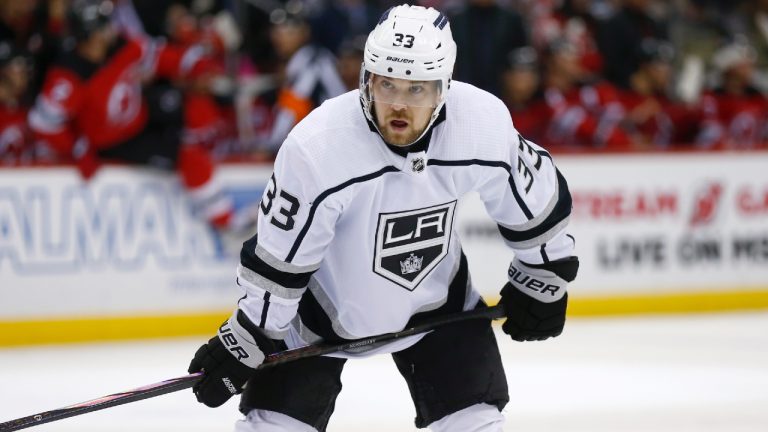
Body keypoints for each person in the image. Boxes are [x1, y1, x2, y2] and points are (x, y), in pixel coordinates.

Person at [187, 4, 579, 432]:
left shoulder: (478, 124)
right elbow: (280, 258)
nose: (397, 105)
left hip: (438, 309)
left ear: (444, 88)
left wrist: (544, 274)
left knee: (478, 425)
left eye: (417, 90)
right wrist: (248, 337)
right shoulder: (318, 146)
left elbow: (535, 198)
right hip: (313, 320)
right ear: (365, 80)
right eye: (386, 84)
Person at [27, 0, 239, 230]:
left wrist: (199, 66)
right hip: (114, 142)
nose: (111, 32)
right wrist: (77, 147)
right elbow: (43, 123)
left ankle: (223, 212)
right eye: (103, 29)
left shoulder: (122, 47)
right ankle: (226, 226)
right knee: (189, 156)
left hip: (142, 118)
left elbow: (162, 56)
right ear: (88, 35)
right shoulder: (68, 75)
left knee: (181, 108)